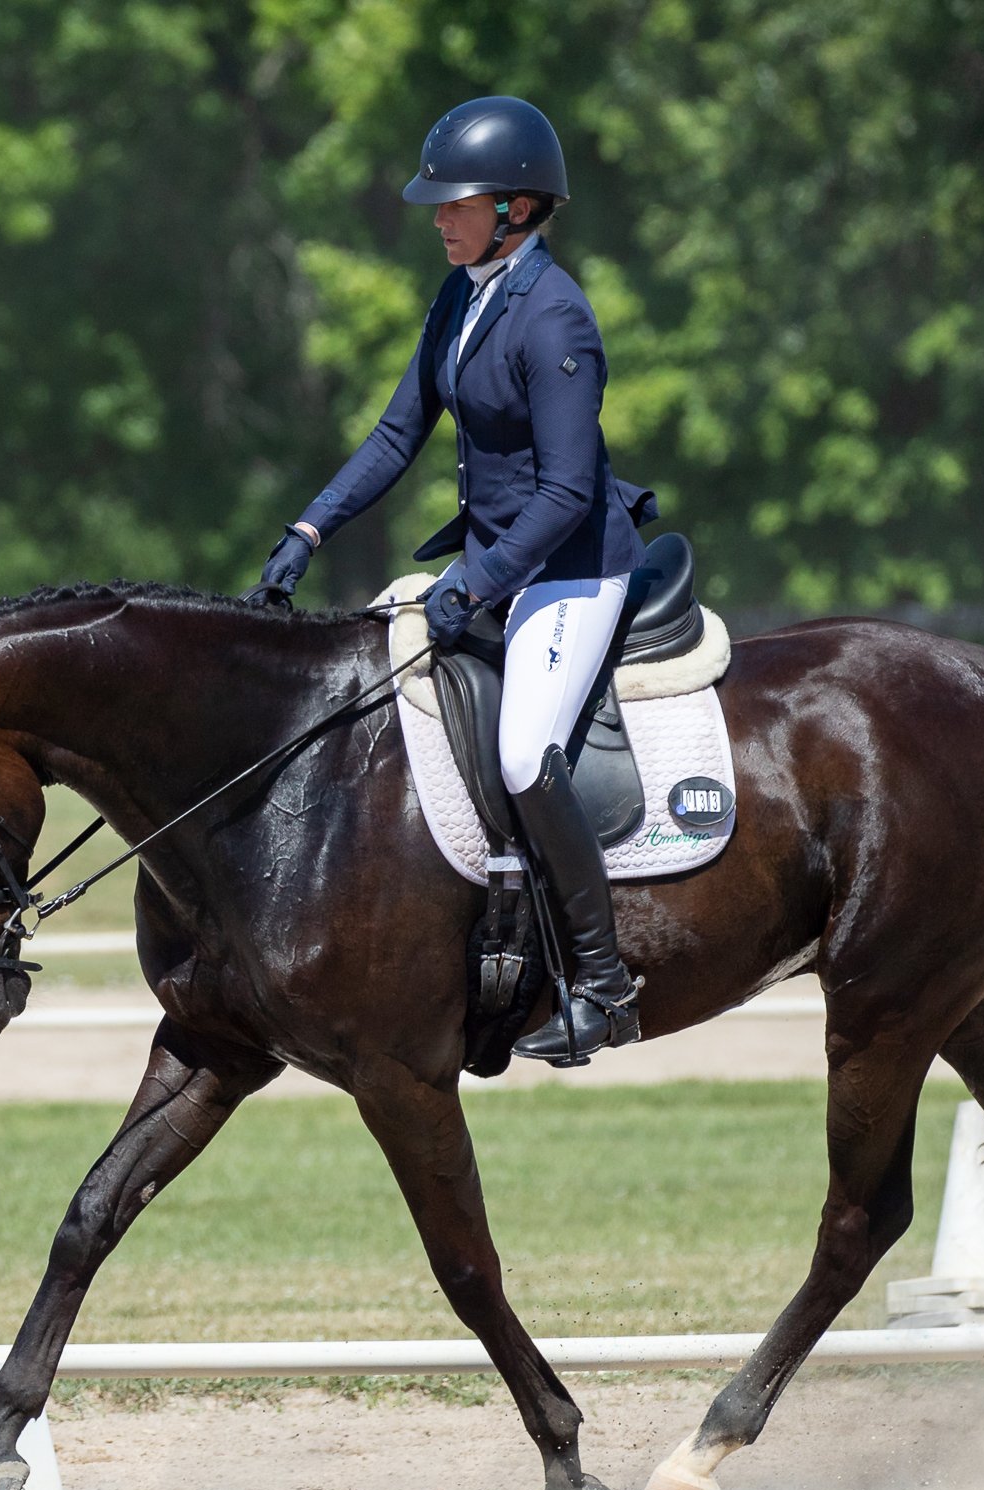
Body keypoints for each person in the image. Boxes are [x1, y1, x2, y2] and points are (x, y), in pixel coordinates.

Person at [250, 95, 651, 1063]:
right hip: (502, 565)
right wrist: (308, 526)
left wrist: (475, 580)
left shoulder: (554, 315)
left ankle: (604, 986)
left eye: (456, 204)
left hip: (570, 570)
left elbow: (567, 491)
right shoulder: (463, 297)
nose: (438, 219)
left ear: (516, 208)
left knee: (522, 754)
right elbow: (398, 433)